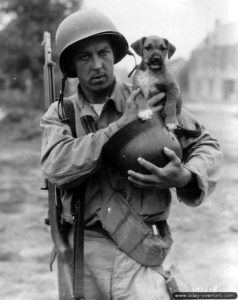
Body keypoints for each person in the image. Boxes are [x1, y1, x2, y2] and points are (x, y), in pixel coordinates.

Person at [40, 10, 222, 300]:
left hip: (143, 249)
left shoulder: (148, 97)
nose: (97, 65)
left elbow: (208, 145)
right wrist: (120, 127)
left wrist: (187, 175)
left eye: (103, 53)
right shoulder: (62, 114)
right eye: (85, 57)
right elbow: (55, 165)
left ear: (116, 56)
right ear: (72, 65)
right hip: (85, 254)